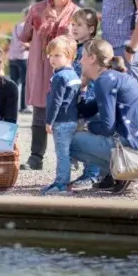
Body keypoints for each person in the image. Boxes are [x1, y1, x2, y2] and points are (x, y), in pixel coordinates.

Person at [70, 39, 138, 194]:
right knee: (90, 123)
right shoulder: (113, 77)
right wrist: (83, 88)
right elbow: (85, 110)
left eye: (83, 56)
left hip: (133, 147)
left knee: (68, 141)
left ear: (92, 58)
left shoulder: (104, 81)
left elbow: (107, 127)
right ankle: (116, 175)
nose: (80, 60)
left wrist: (86, 127)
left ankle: (124, 173)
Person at [18, 0, 80, 171]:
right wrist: (38, 22)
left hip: (66, 69)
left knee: (68, 112)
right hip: (41, 66)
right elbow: (24, 36)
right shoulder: (37, 9)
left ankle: (70, 158)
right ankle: (36, 158)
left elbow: (80, 38)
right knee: (39, 112)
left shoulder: (75, 12)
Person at [41, 36, 81, 195]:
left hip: (61, 121)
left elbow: (55, 102)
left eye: (57, 55)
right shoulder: (74, 76)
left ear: (69, 57)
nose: (52, 59)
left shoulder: (59, 77)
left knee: (62, 154)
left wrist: (49, 121)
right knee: (66, 153)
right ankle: (61, 182)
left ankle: (61, 184)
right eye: (50, 55)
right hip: (71, 119)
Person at [69, 7, 101, 187]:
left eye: (79, 25)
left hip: (88, 98)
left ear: (91, 29)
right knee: (79, 132)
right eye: (73, 24)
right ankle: (88, 171)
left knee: (89, 135)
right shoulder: (78, 47)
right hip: (81, 97)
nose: (74, 28)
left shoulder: (89, 48)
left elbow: (86, 75)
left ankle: (92, 173)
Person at [7, 8, 30, 113]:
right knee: (25, 83)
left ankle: (11, 106)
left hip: (12, 57)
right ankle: (23, 106)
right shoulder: (25, 27)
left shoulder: (16, 26)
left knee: (13, 83)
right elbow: (24, 43)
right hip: (22, 57)